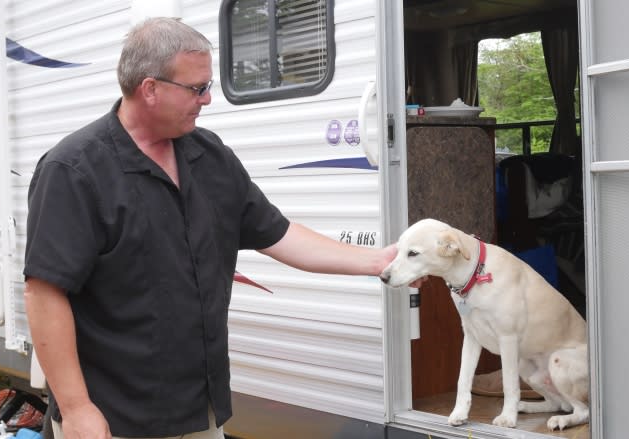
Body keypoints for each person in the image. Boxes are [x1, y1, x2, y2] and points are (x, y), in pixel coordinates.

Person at [23, 17, 400, 439]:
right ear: (150, 89)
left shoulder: (210, 157)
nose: (208, 99)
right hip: (114, 417)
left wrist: (377, 261)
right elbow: (44, 293)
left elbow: (280, 234)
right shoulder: (74, 170)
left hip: (199, 411)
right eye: (198, 87)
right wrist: (76, 408)